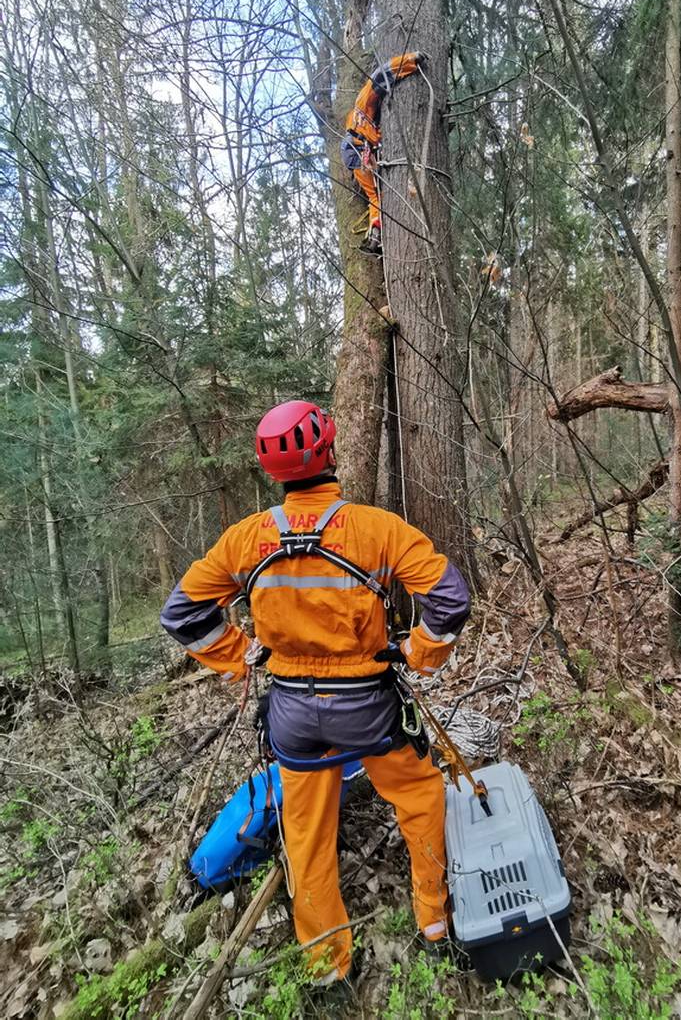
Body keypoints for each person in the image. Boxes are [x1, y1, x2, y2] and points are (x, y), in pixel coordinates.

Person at [160, 399, 470, 986]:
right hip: (370, 709)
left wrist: (236, 655)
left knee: (305, 836)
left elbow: (181, 613)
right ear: (328, 452)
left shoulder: (246, 540)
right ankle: (433, 923)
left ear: (272, 471)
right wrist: (418, 653)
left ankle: (327, 966)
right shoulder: (377, 529)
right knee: (422, 798)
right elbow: (450, 600)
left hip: (292, 716)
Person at [340, 52, 424, 255]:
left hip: (358, 150)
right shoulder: (364, 102)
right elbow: (383, 73)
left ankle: (375, 234)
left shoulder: (376, 123)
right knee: (377, 195)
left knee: (376, 195)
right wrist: (412, 60)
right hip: (356, 148)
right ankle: (376, 236)